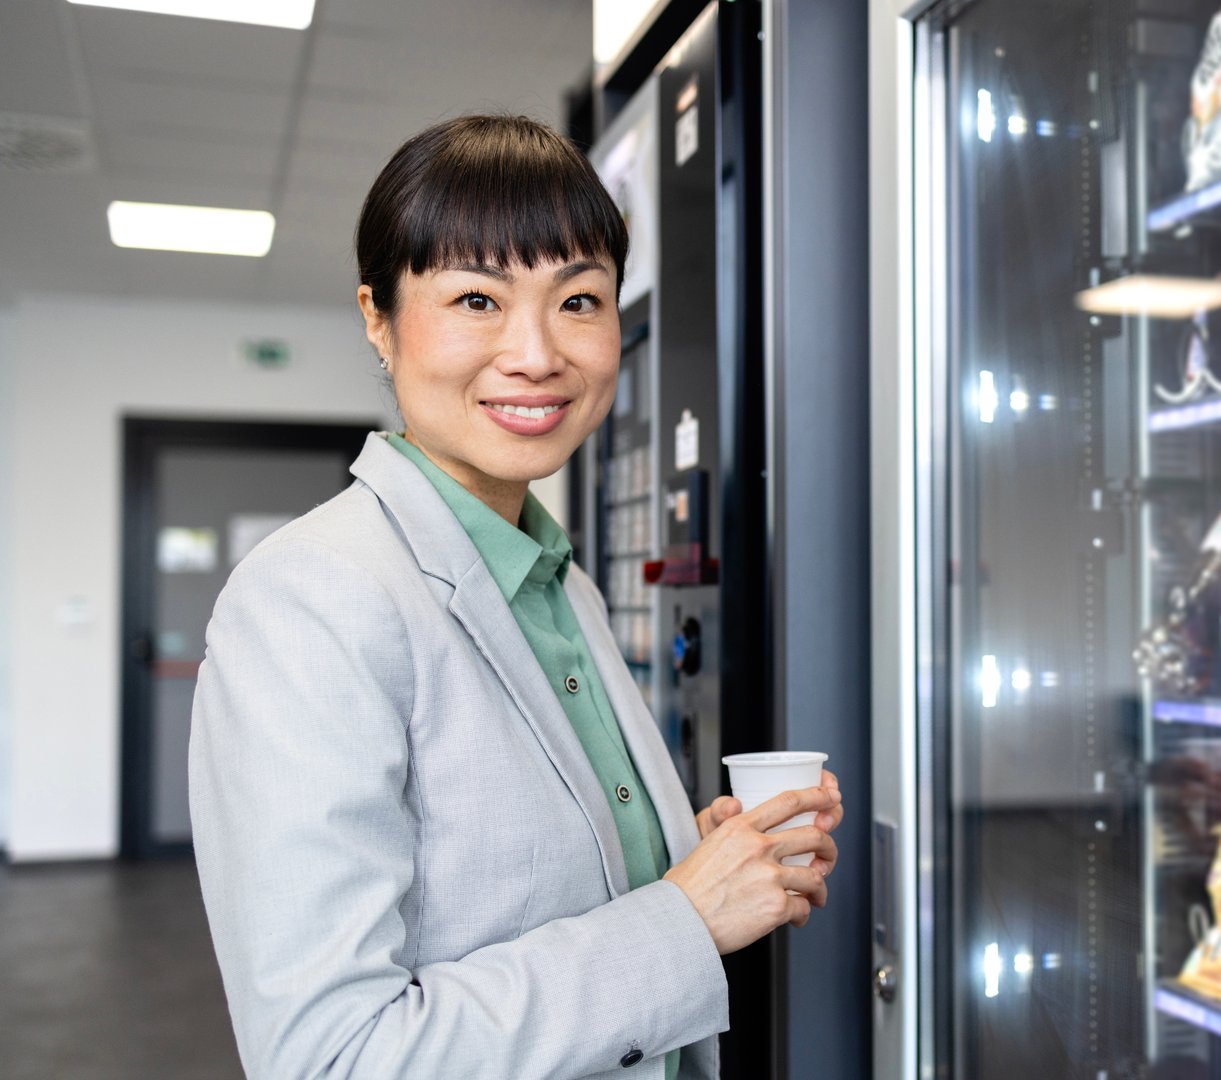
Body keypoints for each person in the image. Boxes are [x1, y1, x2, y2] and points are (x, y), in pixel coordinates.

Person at [189, 114, 843, 1079]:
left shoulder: (562, 584)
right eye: (476, 299)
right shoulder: (308, 599)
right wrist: (685, 918)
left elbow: (535, 886)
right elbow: (331, 1056)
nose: (538, 353)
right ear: (377, 318)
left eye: (580, 299)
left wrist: (703, 863)